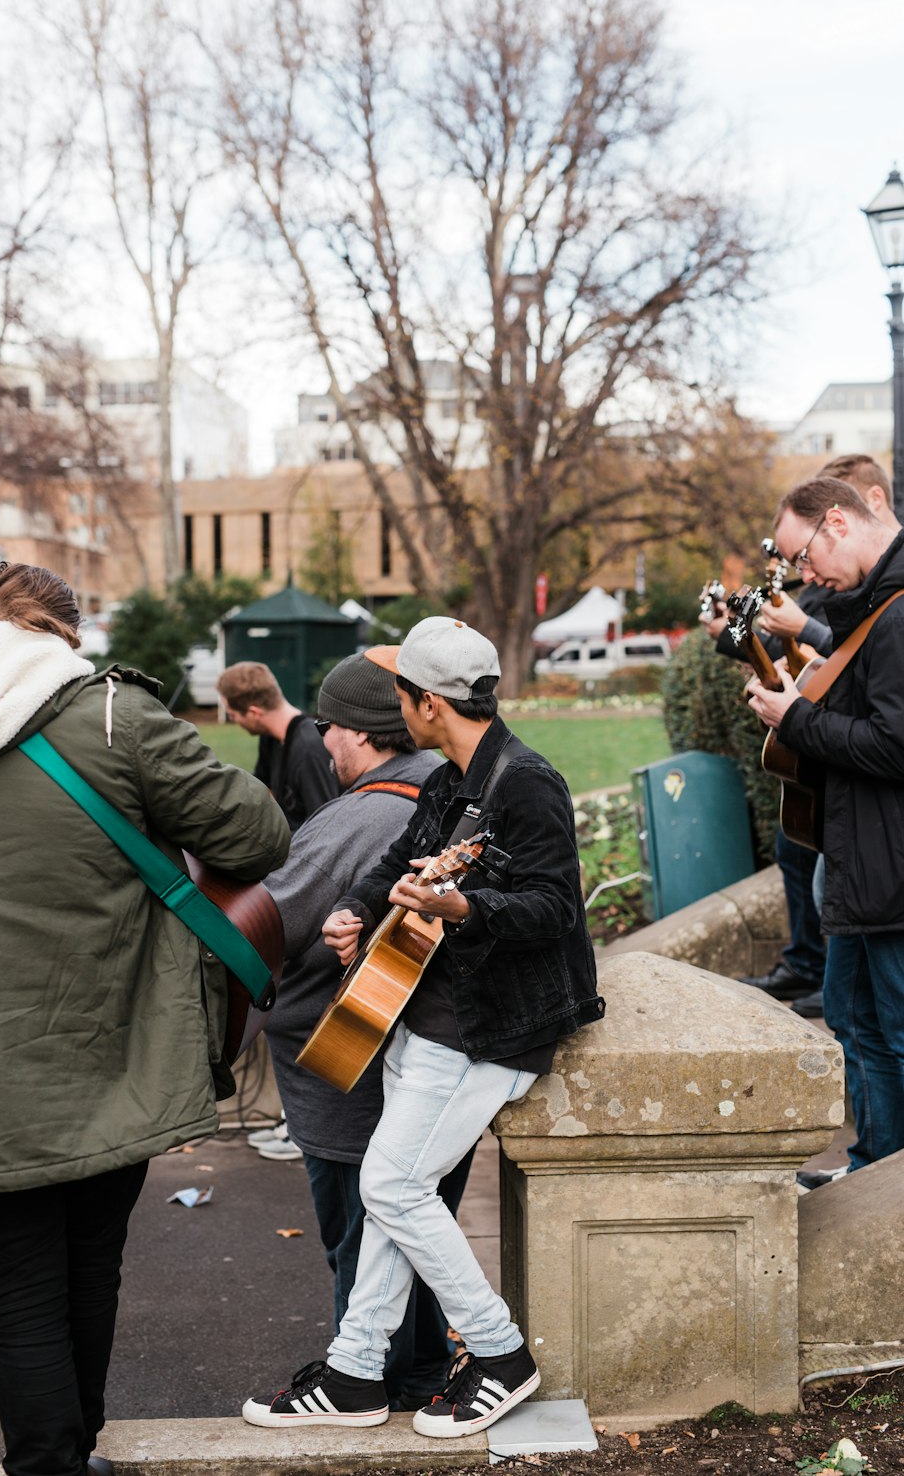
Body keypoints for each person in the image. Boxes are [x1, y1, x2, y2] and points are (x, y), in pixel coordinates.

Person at [0, 562, 290, 1476]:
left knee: (22, 1293)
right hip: (113, 1047)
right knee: (91, 1270)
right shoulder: (112, 715)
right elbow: (257, 835)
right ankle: (69, 1454)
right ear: (63, 635)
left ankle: (49, 1463)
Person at [243, 616, 603, 1438]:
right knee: (392, 1192)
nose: (395, 711)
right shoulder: (450, 779)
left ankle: (500, 1352)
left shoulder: (527, 783)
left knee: (391, 1188)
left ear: (427, 704)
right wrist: (353, 909)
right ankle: (356, 1371)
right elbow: (395, 860)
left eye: (402, 697)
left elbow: (553, 907)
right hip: (428, 1014)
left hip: (494, 1029)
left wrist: (463, 904)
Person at [261, 651, 468, 1409]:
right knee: (417, 1222)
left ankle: (364, 1381)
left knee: (359, 1234)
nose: (322, 744)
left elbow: (270, 920)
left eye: (327, 727)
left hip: (351, 1068)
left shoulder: (361, 812)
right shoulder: (447, 791)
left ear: (357, 731)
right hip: (432, 1061)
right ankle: (414, 1375)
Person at [747, 477, 904, 1172]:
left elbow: (895, 745)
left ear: (836, 522)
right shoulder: (865, 602)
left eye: (804, 556)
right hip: (858, 866)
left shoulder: (896, 613)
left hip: (889, 874)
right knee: (851, 1020)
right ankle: (872, 1161)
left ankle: (885, 1183)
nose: (805, 576)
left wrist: (796, 719)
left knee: (889, 1033)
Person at [217, 660, 338, 832]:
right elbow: (262, 793)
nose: (234, 721)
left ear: (253, 713)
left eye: (232, 715)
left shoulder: (309, 749)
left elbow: (326, 828)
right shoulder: (270, 738)